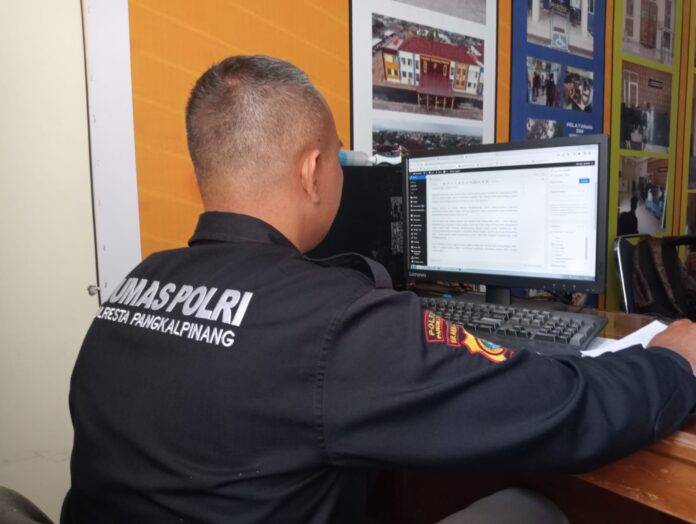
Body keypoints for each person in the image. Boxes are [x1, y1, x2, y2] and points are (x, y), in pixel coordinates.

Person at [64, 56, 696, 524]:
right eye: (340, 159)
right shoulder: (333, 324)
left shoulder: (130, 290)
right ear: (314, 171)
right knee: (529, 510)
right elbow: (557, 409)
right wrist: (671, 364)